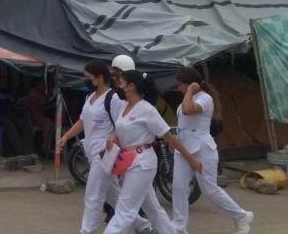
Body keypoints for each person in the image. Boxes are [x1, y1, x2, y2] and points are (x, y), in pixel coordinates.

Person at [104, 70, 202, 234]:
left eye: (121, 81)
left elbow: (169, 137)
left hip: (142, 162)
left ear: (131, 86)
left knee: (124, 210)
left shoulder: (147, 110)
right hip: (129, 161)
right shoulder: (124, 106)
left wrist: (191, 159)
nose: (118, 84)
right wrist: (113, 137)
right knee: (154, 210)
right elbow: (122, 129)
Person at [59, 61, 151, 234]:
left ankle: (86, 231)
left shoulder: (113, 98)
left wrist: (114, 143)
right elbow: (82, 121)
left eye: (88, 77)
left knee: (93, 194)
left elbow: (122, 124)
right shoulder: (89, 98)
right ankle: (143, 225)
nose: (85, 80)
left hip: (105, 152)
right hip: (91, 151)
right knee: (113, 195)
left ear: (100, 78)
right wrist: (66, 136)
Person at [171, 67, 253, 234]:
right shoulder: (188, 98)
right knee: (178, 187)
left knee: (209, 189)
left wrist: (191, 90)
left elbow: (188, 110)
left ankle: (241, 216)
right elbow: (184, 120)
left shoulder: (205, 98)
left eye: (181, 84)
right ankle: (178, 228)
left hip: (202, 148)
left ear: (191, 84)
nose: (178, 87)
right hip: (183, 148)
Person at [0, 72, 33, 156]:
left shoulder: (6, 93)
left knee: (24, 122)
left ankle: (28, 151)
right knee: (10, 126)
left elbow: (13, 106)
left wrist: (22, 110)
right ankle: (21, 153)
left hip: (11, 115)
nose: (0, 84)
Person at [28, 78, 56, 154]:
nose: (44, 85)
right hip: (35, 115)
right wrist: (48, 107)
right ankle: (46, 148)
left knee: (54, 126)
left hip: (43, 114)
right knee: (48, 124)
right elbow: (37, 108)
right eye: (42, 83)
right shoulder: (33, 93)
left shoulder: (44, 92)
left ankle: (52, 146)